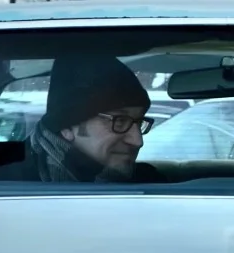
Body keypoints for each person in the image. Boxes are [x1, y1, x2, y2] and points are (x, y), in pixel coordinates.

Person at [24, 54, 164, 183]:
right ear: (67, 127)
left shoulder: (149, 183)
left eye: (138, 122)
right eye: (120, 121)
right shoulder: (15, 184)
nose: (137, 141)